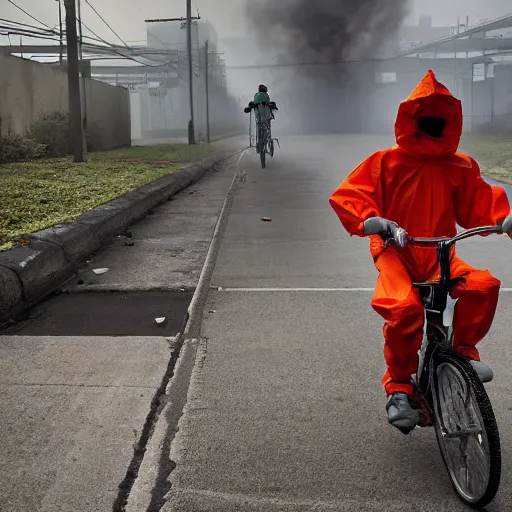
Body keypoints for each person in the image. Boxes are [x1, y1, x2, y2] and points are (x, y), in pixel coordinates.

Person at [329, 69, 512, 434]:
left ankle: (462, 352)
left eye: (438, 120)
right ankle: (399, 386)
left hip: (441, 251)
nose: (432, 127)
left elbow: (480, 202)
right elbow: (351, 195)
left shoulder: (460, 166)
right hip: (396, 250)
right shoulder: (385, 162)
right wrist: (372, 220)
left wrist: (504, 218)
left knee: (482, 286)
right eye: (426, 120)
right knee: (403, 307)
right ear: (410, 120)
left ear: (450, 122)